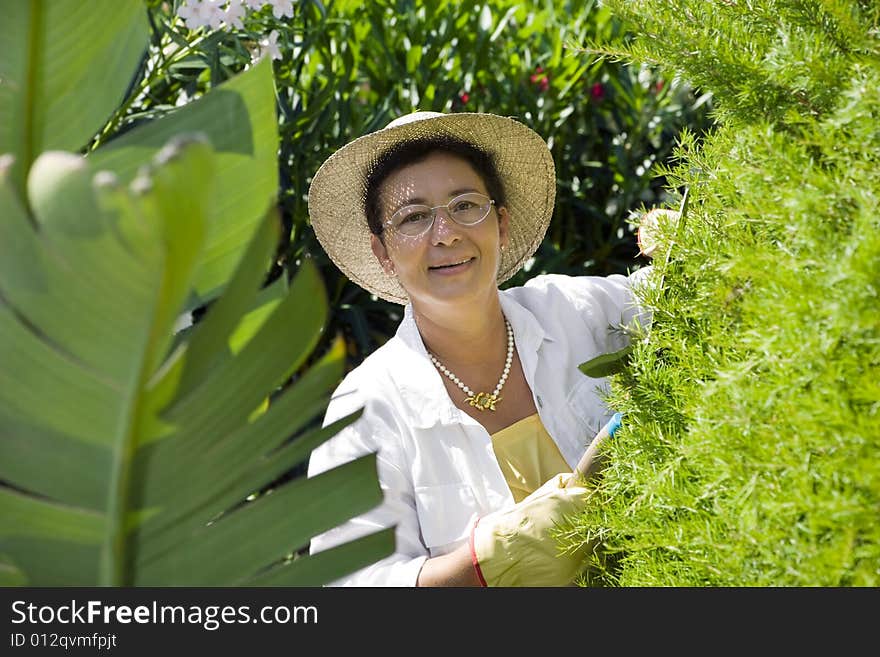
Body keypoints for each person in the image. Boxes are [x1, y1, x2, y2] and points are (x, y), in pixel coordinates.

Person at [306, 110, 654, 587]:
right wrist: (494, 558)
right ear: (383, 251)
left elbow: (687, 291)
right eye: (413, 218)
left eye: (466, 205)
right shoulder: (368, 409)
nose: (446, 233)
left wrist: (684, 238)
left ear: (502, 223)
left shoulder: (574, 312)